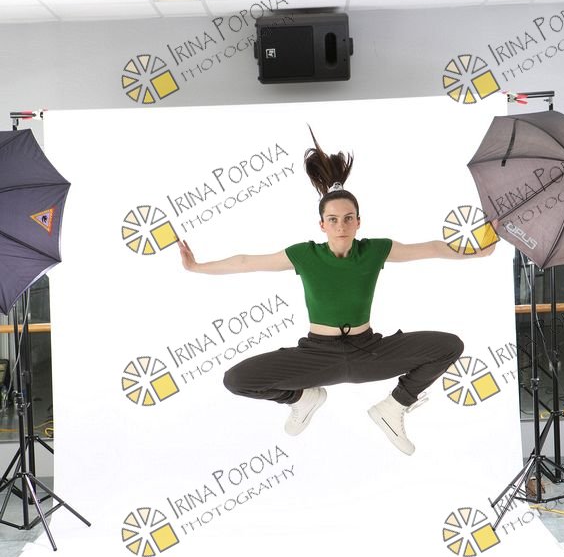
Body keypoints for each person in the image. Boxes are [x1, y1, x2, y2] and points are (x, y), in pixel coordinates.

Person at [178, 128, 497, 455]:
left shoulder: (375, 250)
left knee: (449, 346)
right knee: (236, 380)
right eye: (332, 219)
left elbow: (431, 248)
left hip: (369, 352)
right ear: (322, 224)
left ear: (358, 221)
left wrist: (477, 252)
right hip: (318, 356)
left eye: (347, 218)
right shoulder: (305, 254)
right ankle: (303, 398)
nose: (341, 226)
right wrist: (197, 266)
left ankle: (394, 407)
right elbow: (246, 262)